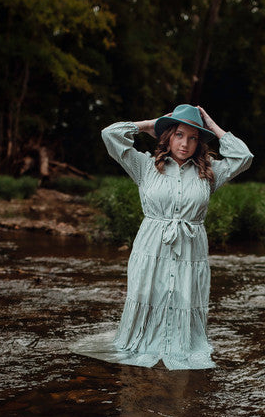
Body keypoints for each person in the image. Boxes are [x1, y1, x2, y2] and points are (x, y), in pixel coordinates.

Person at [72, 104, 253, 370]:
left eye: (193, 138)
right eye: (179, 134)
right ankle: (144, 342)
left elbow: (244, 157)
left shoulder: (209, 172)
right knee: (148, 293)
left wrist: (213, 127)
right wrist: (149, 124)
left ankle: (180, 344)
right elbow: (110, 135)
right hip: (151, 245)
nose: (185, 143)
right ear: (167, 136)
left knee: (184, 296)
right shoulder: (144, 166)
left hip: (191, 248)